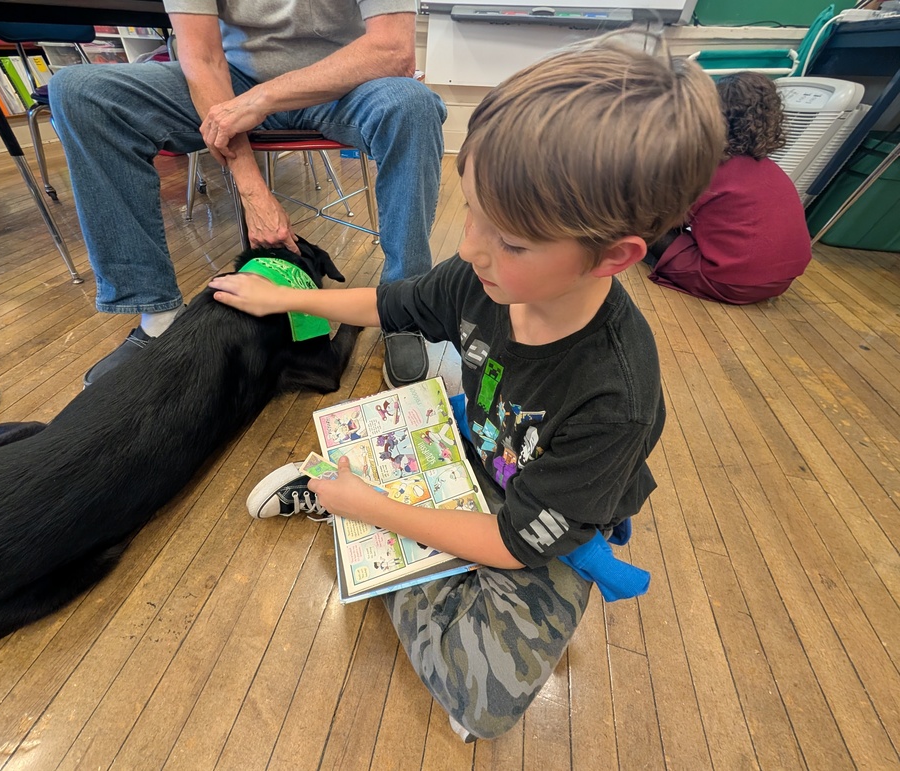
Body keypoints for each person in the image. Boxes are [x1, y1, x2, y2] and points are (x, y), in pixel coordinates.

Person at [209, 36, 725, 741]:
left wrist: (376, 508)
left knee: (480, 706)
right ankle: (365, 508)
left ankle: (353, 508)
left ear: (614, 256)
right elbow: (392, 304)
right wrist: (283, 302)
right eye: (472, 206)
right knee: (449, 547)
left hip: (536, 514)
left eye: (512, 241)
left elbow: (516, 544)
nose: (473, 245)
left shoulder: (614, 398)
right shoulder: (479, 276)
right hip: (481, 455)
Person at [48, 1, 447, 387]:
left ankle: (404, 305)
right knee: (81, 92)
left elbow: (393, 50)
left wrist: (264, 99)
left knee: (413, 106)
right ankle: (159, 317)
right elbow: (202, 58)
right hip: (231, 84)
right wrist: (252, 191)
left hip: (343, 81)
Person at [645, 70, 812, 304]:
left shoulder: (709, 167)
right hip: (781, 282)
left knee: (645, 224)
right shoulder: (772, 169)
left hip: (730, 282)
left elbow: (666, 219)